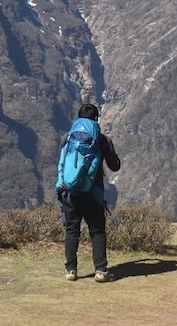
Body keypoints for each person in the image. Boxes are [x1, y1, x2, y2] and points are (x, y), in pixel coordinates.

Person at [58, 103, 121, 282]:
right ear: (96, 119)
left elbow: (62, 165)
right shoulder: (101, 140)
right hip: (93, 193)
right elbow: (114, 166)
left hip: (71, 193)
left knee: (72, 231)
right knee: (97, 231)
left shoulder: (67, 138)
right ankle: (100, 270)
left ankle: (71, 270)